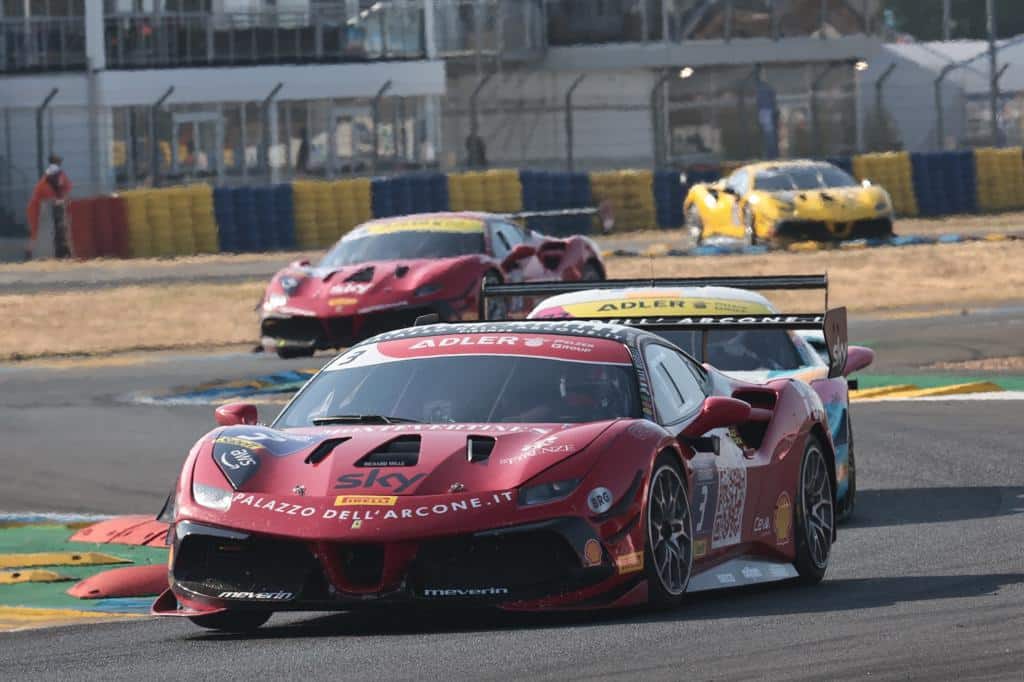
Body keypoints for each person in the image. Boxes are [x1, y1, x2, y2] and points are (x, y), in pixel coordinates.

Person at [25, 154, 73, 258]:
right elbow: (63, 190)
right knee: (43, 230)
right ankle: (29, 253)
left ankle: (30, 253)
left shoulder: (48, 177)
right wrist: (61, 199)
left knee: (55, 229)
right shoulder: (55, 177)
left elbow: (63, 190)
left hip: (44, 207)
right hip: (42, 208)